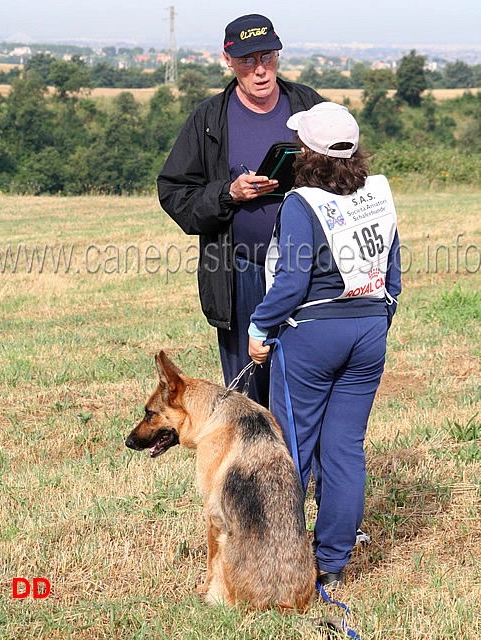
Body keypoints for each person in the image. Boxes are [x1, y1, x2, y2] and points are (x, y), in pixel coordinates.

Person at [248, 102, 402, 588]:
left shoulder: (301, 204)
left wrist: (259, 329)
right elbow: (392, 271)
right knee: (345, 450)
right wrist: (379, 318)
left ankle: (284, 563)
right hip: (370, 331)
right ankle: (332, 565)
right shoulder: (378, 194)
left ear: (307, 152)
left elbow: (292, 281)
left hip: (311, 336)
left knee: (291, 451)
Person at [157, 14, 324, 407]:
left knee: (306, 384)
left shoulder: (310, 105)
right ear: (228, 60)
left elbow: (345, 171)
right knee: (248, 391)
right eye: (248, 60)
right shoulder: (208, 119)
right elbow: (174, 192)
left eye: (268, 56)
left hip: (307, 267)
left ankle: (304, 468)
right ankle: (250, 468)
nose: (260, 69)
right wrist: (229, 193)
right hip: (240, 272)